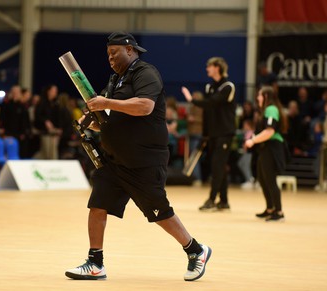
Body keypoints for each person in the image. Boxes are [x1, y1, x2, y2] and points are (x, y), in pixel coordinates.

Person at [65, 32, 211, 282]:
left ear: (130, 50)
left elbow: (145, 106)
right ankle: (95, 262)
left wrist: (105, 102)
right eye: (107, 54)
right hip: (114, 160)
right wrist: (91, 122)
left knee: (158, 212)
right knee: (97, 203)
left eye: (115, 53)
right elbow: (108, 121)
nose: (110, 58)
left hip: (144, 160)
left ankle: (196, 250)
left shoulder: (145, 73)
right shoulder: (114, 81)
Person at [182, 57, 236, 211]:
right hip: (212, 134)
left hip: (225, 133)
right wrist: (205, 134)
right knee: (220, 167)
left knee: (217, 166)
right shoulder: (209, 87)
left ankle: (212, 199)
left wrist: (192, 100)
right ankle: (224, 202)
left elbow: (213, 102)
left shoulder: (228, 87)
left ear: (217, 68)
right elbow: (207, 111)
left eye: (209, 66)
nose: (207, 69)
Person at [245, 86, 288, 222]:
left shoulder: (271, 109)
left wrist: (252, 140)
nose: (257, 98)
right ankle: (270, 208)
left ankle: (279, 211)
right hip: (265, 148)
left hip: (272, 147)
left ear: (266, 97)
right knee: (263, 179)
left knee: (270, 180)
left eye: (260, 95)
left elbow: (270, 131)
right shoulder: (265, 110)